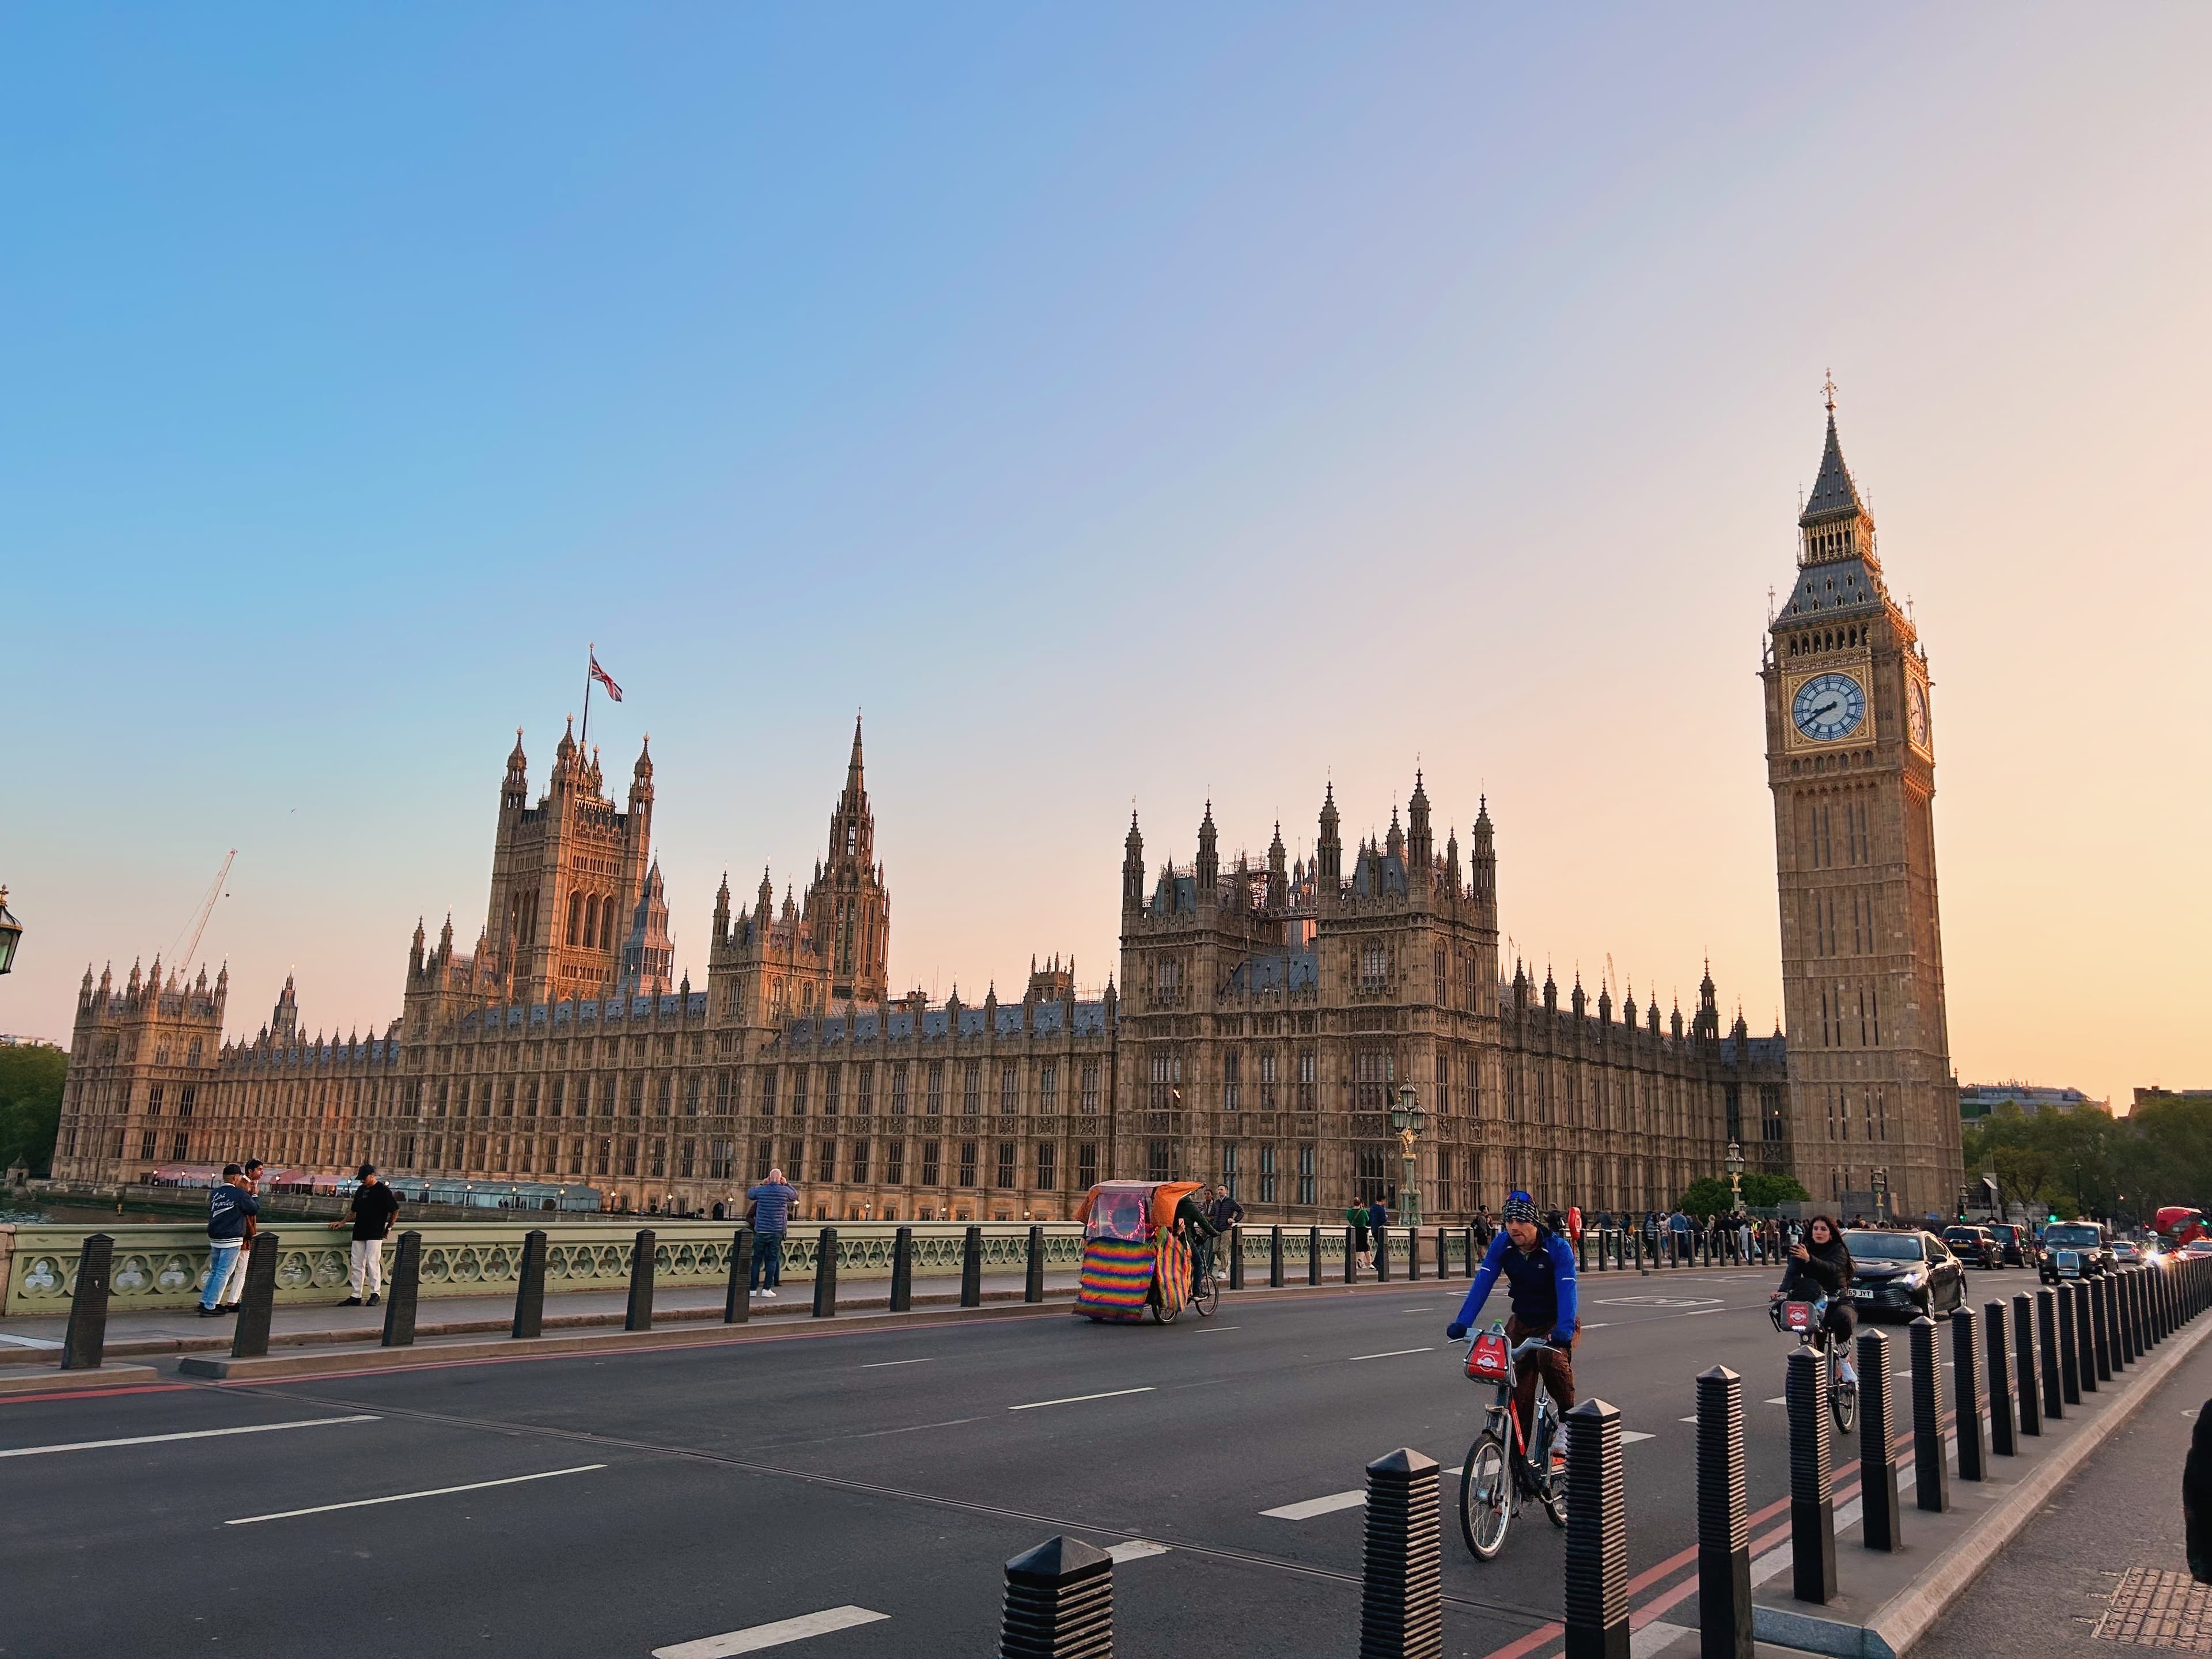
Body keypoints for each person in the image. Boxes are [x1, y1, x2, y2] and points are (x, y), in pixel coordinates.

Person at [1448, 1191, 1580, 1471]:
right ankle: (1516, 1468)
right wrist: (1463, 1322)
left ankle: (1568, 1421)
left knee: (1550, 1359)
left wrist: (1565, 1330)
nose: (1513, 1227)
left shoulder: (1556, 1248)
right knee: (1515, 1390)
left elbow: (1568, 1290)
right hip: (1521, 1322)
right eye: (1509, 1221)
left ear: (1534, 1222)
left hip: (1555, 1323)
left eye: (1520, 1221)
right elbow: (1483, 1281)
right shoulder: (1503, 1244)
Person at [1771, 1213, 1858, 1384]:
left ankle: (1844, 1361)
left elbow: (1831, 1268)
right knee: (1808, 1324)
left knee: (1843, 1319)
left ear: (1831, 1233)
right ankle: (1811, 1365)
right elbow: (1792, 1272)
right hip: (1813, 1299)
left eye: (1823, 1229)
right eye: (1816, 1228)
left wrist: (1809, 1259)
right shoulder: (1804, 1248)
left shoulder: (1838, 1250)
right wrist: (1782, 1291)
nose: (1819, 1232)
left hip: (1836, 1299)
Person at [331, 1163, 400, 1306]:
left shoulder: (383, 1190)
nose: (362, 1181)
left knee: (372, 1263)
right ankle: (356, 1295)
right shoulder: (361, 1190)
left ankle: (375, 1294)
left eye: (364, 1178)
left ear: (372, 1176)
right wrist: (343, 1222)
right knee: (357, 1263)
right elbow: (354, 1211)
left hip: (375, 1231)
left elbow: (395, 1211)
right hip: (359, 1230)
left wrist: (388, 1228)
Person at [199, 1165, 257, 1317]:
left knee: (215, 1271)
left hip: (215, 1236)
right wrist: (254, 1195)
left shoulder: (215, 1193)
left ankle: (204, 1301)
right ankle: (211, 1306)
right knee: (223, 1273)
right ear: (235, 1178)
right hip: (232, 1238)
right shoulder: (239, 1194)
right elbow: (253, 1209)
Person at [745, 1167, 800, 1297]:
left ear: (769, 1179)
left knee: (756, 1260)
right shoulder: (784, 1191)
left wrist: (763, 1184)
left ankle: (753, 1290)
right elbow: (795, 1195)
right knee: (771, 1260)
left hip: (761, 1230)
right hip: (776, 1231)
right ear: (780, 1179)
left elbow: (750, 1194)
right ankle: (766, 1289)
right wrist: (786, 1184)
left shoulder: (762, 1190)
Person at [1175, 1187, 1221, 1294]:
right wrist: (1215, 1233)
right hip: (1185, 1241)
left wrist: (1195, 1234)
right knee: (1198, 1263)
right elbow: (1203, 1222)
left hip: (1172, 1239)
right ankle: (1196, 1292)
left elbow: (1187, 1225)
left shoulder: (1175, 1205)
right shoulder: (1190, 1206)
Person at [1346, 1201, 1371, 1272]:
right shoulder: (1363, 1212)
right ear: (1360, 1204)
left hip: (1353, 1230)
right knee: (1365, 1247)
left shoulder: (1349, 1212)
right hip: (1362, 1230)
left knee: (1355, 1247)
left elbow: (1349, 1219)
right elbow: (1367, 1219)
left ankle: (1355, 1264)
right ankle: (1370, 1264)